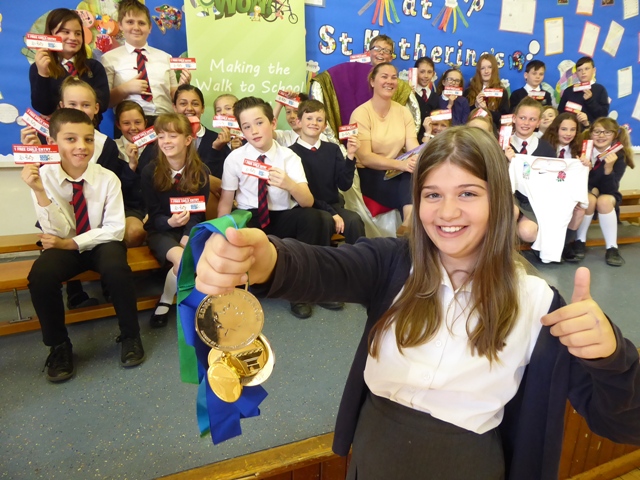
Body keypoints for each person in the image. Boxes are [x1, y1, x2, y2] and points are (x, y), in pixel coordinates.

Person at [194, 126, 640, 480]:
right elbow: (320, 268)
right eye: (432, 195)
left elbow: (623, 424)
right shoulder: (393, 264)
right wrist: (265, 257)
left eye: (468, 193)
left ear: (500, 202)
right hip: (374, 456)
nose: (446, 214)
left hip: (468, 466)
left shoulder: (537, 301)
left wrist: (611, 356)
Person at [22, 108, 145, 382]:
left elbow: (114, 229)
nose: (81, 147)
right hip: (65, 242)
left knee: (116, 268)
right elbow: (55, 232)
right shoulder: (44, 177)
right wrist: (40, 193)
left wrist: (71, 243)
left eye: (88, 139)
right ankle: (59, 345)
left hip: (101, 242)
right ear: (54, 142)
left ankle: (130, 335)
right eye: (71, 139)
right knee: (41, 275)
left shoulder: (107, 178)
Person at [218, 96, 333, 319]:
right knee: (236, 226)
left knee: (314, 217)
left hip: (283, 214)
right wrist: (221, 231)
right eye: (247, 126)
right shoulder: (235, 158)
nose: (254, 131)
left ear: (272, 123)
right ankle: (250, 286)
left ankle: (301, 291)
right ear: (241, 131)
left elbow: (307, 201)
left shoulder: (289, 156)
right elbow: (225, 201)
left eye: (259, 123)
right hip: (250, 216)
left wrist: (289, 184)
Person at [22, 77, 122, 308]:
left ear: (96, 108)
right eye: (72, 105)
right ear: (62, 106)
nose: (80, 110)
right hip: (60, 214)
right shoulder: (50, 142)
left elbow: (106, 184)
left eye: (85, 105)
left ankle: (108, 286)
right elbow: (45, 185)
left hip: (94, 212)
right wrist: (38, 155)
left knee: (111, 253)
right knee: (53, 247)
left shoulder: (105, 144)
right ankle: (74, 291)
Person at [142, 113, 209, 327]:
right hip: (161, 231)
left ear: (188, 140)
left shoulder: (201, 172)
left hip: (192, 230)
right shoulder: (150, 171)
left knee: (194, 258)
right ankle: (174, 303)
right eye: (161, 137)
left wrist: (188, 233)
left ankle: (167, 300)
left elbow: (198, 212)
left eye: (172, 135)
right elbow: (153, 215)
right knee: (183, 260)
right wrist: (170, 223)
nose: (166, 142)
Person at [350, 62, 420, 234]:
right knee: (409, 182)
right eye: (384, 76)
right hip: (370, 173)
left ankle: (409, 225)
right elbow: (365, 157)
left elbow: (414, 148)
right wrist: (401, 165)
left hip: (398, 171)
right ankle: (410, 224)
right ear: (373, 82)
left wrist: (415, 160)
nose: (390, 81)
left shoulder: (403, 112)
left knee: (414, 178)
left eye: (394, 77)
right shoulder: (361, 113)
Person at [310, 34, 419, 143]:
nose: (381, 52)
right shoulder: (351, 73)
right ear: (368, 52)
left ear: (391, 57)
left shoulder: (397, 87)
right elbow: (330, 79)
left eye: (386, 50)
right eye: (377, 49)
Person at [101, 0, 190, 130]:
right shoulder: (109, 59)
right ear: (120, 25)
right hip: (130, 124)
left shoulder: (165, 57)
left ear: (150, 27)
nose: (136, 28)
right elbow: (105, 102)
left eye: (141, 23)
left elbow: (173, 95)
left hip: (164, 121)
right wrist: (125, 88)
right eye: (130, 22)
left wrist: (183, 86)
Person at [289, 99, 365, 244]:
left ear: (324, 126)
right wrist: (332, 214)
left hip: (333, 205)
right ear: (299, 122)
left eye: (319, 120)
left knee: (354, 220)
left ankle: (360, 263)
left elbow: (344, 185)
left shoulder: (332, 149)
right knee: (323, 221)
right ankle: (323, 264)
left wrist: (350, 156)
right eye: (309, 118)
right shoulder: (290, 153)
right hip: (308, 209)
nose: (314, 123)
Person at [29, 8, 110, 127]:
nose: (73, 38)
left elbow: (102, 103)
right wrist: (43, 75)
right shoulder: (40, 67)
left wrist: (60, 111)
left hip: (89, 131)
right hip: (55, 134)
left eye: (78, 33)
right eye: (66, 32)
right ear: (51, 34)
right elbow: (44, 108)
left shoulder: (93, 67)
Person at [573, 117, 635, 266]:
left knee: (604, 201)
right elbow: (579, 184)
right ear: (591, 133)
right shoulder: (582, 152)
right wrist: (585, 170)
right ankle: (579, 241)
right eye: (597, 132)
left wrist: (608, 169)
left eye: (607, 132)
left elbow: (611, 189)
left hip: (609, 193)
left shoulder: (619, 156)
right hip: (586, 192)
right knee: (589, 199)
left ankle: (612, 247)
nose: (601, 136)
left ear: (615, 135)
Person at [173, 85, 229, 218]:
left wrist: (215, 150)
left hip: (205, 206)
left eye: (195, 104)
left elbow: (219, 183)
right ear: (174, 108)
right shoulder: (165, 140)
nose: (189, 108)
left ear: (203, 108)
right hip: (171, 204)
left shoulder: (217, 140)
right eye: (183, 103)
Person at [541, 113, 591, 261]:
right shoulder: (544, 146)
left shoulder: (579, 151)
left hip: (569, 193)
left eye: (572, 129)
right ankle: (547, 245)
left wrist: (587, 166)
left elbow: (581, 178)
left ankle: (565, 244)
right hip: (547, 192)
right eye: (564, 129)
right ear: (556, 129)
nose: (568, 134)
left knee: (580, 209)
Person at [509, 97, 556, 245]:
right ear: (514, 118)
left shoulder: (546, 148)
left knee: (528, 233)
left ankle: (516, 232)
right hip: (508, 196)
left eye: (532, 119)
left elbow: (551, 179)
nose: (526, 123)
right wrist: (505, 161)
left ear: (538, 122)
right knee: (512, 211)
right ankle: (503, 251)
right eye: (522, 118)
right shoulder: (502, 145)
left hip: (533, 200)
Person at [114, 100, 157, 247]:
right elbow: (116, 189)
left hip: (154, 205)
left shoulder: (158, 148)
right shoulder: (112, 148)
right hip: (127, 208)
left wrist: (153, 211)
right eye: (126, 123)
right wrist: (131, 165)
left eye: (137, 122)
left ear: (145, 123)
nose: (133, 128)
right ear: (118, 125)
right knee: (136, 232)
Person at [558, 57, 609, 128]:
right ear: (576, 73)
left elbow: (603, 115)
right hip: (571, 132)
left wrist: (590, 100)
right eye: (579, 70)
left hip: (592, 132)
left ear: (594, 70)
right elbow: (560, 114)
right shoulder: (569, 91)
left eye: (587, 69)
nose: (583, 72)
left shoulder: (600, 89)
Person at [464, 53, 510, 129]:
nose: (486, 71)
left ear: (494, 69)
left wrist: (486, 110)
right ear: (478, 71)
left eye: (489, 67)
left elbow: (503, 119)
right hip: (471, 132)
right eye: (482, 68)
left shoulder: (501, 92)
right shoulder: (469, 91)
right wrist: (476, 106)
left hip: (492, 133)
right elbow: (465, 117)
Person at [413, 57, 438, 140]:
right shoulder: (409, 94)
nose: (426, 76)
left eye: (429, 72)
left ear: (433, 74)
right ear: (415, 73)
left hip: (430, 141)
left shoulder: (435, 96)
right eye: (422, 72)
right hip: (412, 139)